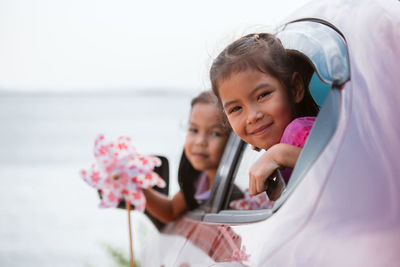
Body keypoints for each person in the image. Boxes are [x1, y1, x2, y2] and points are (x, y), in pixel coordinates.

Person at [210, 33, 319, 197]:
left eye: (263, 95)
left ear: (294, 89)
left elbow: (347, 165)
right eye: (236, 109)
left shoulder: (299, 131)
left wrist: (278, 154)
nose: (252, 116)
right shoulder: (291, 139)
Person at [143, 90, 231, 222]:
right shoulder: (200, 182)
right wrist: (137, 188)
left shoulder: (232, 191)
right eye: (194, 130)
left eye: (215, 133)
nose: (200, 141)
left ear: (233, 139)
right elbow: (172, 210)